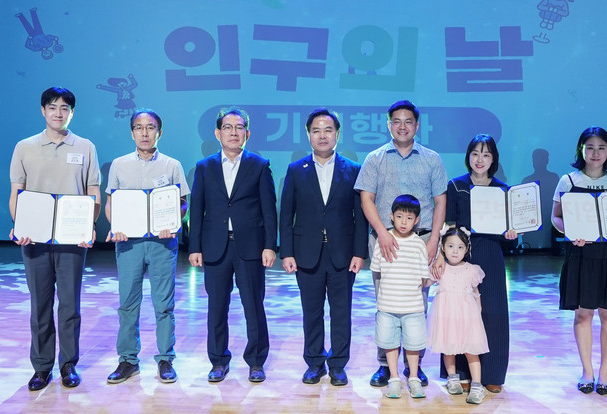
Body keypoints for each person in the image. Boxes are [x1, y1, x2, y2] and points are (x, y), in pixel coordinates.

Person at [9, 87, 101, 391]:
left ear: (72, 113)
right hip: (34, 239)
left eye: (64, 108)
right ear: (43, 111)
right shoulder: (25, 147)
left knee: (70, 304)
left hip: (72, 240)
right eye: (52, 107)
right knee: (40, 305)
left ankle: (68, 365)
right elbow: (17, 192)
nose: (58, 113)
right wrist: (18, 225)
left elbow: (93, 191)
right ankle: (41, 367)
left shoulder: (85, 147)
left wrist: (89, 225)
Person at [354, 99, 447, 388]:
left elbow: (440, 201)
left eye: (408, 122)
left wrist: (434, 240)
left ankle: (413, 366)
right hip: (386, 242)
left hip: (422, 242)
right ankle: (385, 365)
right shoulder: (375, 158)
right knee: (386, 304)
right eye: (397, 121)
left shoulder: (431, 159)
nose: (402, 126)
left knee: (418, 305)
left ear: (417, 126)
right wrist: (382, 233)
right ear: (388, 125)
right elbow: (366, 198)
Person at [279, 109, 368, 386]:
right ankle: (314, 363)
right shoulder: (296, 170)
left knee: (341, 312)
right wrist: (287, 252)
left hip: (343, 254)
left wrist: (359, 253)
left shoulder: (353, 169)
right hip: (307, 254)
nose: (322, 135)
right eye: (316, 130)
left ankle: (338, 364)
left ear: (337, 134)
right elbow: (286, 214)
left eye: (328, 130)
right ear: (308, 135)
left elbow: (360, 216)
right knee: (312, 312)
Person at [188, 107, 277, 384]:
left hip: (250, 247)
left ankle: (256, 361)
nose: (234, 132)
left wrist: (269, 246)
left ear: (247, 133)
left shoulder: (259, 165)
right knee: (217, 307)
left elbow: (269, 210)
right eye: (228, 127)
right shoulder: (204, 167)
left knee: (253, 306)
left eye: (239, 128)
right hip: (215, 247)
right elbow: (197, 209)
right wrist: (194, 247)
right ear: (218, 133)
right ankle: (218, 360)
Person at [104, 108, 190, 384]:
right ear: (132, 133)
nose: (144, 133)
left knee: (163, 304)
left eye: (150, 127)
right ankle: (128, 360)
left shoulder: (172, 165)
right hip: (129, 244)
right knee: (128, 303)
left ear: (159, 133)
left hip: (162, 243)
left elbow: (183, 203)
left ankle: (165, 358)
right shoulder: (119, 165)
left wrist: (174, 221)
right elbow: (111, 203)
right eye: (139, 128)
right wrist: (116, 225)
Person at [551, 127, 607, 395]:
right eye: (590, 147)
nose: (595, 153)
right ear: (581, 150)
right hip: (581, 254)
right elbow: (556, 217)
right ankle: (587, 372)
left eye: (601, 147)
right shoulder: (568, 181)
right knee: (583, 314)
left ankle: (605, 373)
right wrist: (570, 232)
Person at [433, 134, 516, 394]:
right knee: (459, 312)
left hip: (491, 254)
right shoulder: (456, 186)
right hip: (461, 256)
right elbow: (448, 226)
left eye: (486, 154)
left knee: (493, 312)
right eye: (475, 153)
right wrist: (442, 255)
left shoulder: (503, 190)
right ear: (468, 156)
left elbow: (510, 234)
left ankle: (492, 373)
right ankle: (459, 372)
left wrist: (511, 233)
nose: (480, 159)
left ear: (494, 159)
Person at [371, 195, 431, 399]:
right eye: (399, 216)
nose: (404, 222)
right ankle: (394, 378)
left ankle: (413, 378)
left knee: (413, 345)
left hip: (413, 307)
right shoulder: (384, 241)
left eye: (409, 218)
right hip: (387, 305)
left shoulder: (418, 244)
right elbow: (377, 271)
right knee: (389, 343)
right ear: (391, 216)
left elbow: (423, 278)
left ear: (417, 220)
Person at [428, 226, 488, 404]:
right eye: (451, 246)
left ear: (466, 249)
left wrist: (478, 313)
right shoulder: (440, 268)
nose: (455, 251)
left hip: (467, 317)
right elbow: (425, 282)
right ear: (443, 248)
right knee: (448, 347)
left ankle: (476, 385)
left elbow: (476, 293)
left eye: (460, 247)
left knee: (471, 350)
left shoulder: (471, 270)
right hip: (446, 317)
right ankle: (452, 378)